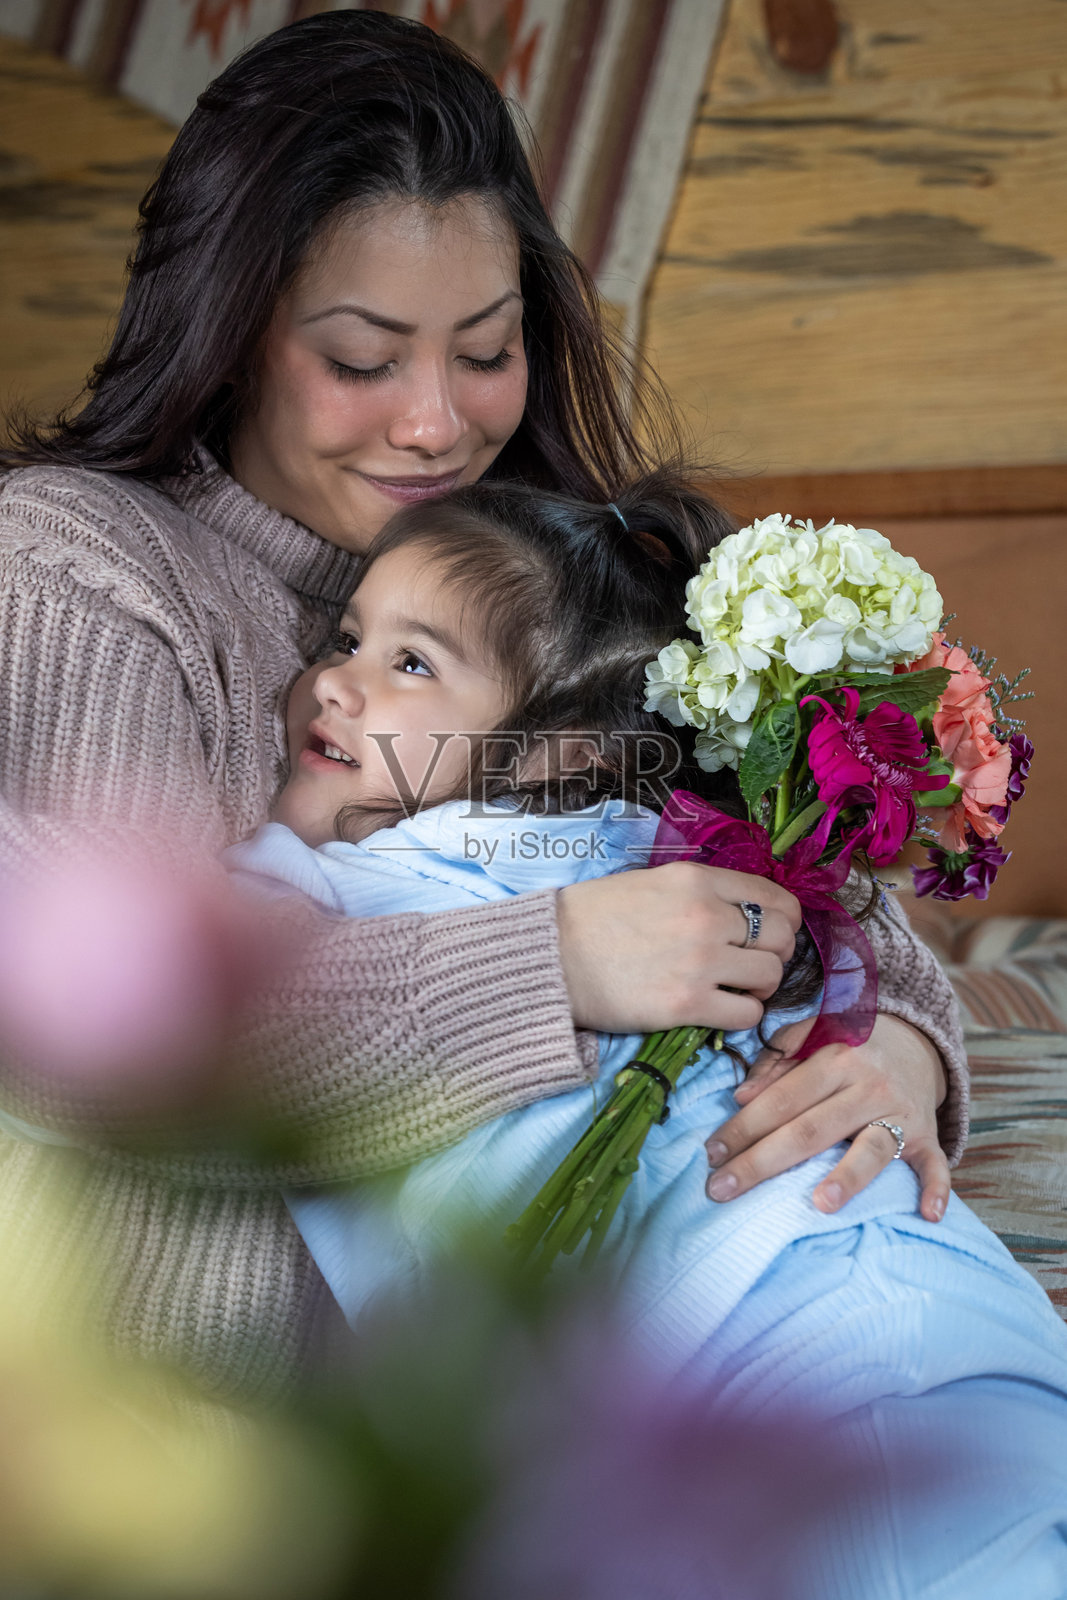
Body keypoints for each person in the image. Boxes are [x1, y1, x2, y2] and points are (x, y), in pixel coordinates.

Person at [0, 11, 963, 1402]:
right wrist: (557, 963)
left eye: (486, 348)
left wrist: (891, 1041)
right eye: (361, 357)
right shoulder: (73, 562)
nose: (438, 423)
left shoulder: (552, 571)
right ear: (227, 331)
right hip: (183, 1445)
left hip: (556, 1429)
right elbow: (96, 1021)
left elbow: (805, 882)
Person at [228, 475, 1067, 1597]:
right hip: (721, 1354)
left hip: (810, 1301)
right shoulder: (307, 888)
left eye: (410, 662)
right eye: (345, 637)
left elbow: (842, 921)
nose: (334, 678)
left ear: (564, 753)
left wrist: (902, 1034)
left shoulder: (656, 847)